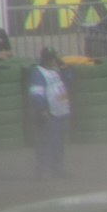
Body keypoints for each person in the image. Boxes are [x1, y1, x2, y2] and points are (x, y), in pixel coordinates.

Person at [24, 50, 70, 179]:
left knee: (58, 143)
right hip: (48, 113)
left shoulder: (55, 71)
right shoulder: (38, 72)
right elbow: (36, 93)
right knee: (45, 143)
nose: (56, 60)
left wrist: (65, 69)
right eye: (53, 58)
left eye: (56, 57)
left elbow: (67, 81)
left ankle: (58, 169)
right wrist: (42, 109)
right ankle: (43, 171)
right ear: (46, 59)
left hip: (60, 112)